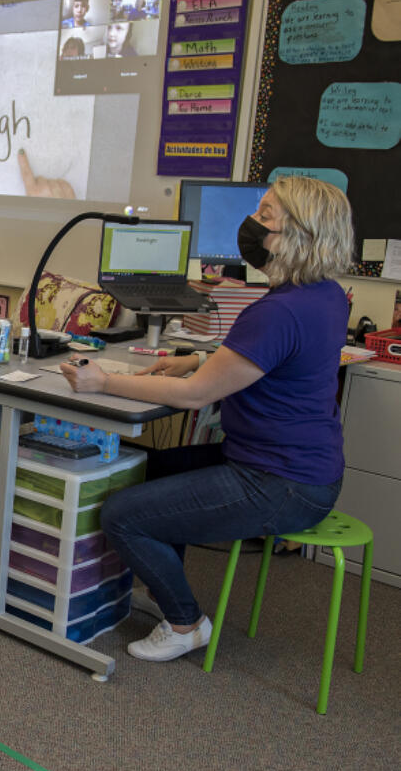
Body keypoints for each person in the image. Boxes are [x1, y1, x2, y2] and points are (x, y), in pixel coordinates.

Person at [59, 176, 355, 662]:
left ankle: (185, 622)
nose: (251, 225)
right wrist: (196, 360)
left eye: (265, 216)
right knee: (147, 471)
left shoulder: (281, 310)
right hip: (297, 467)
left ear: (300, 236)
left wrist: (103, 382)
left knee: (122, 514)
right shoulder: (323, 295)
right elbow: (268, 357)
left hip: (278, 481)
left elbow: (196, 397)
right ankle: (162, 583)